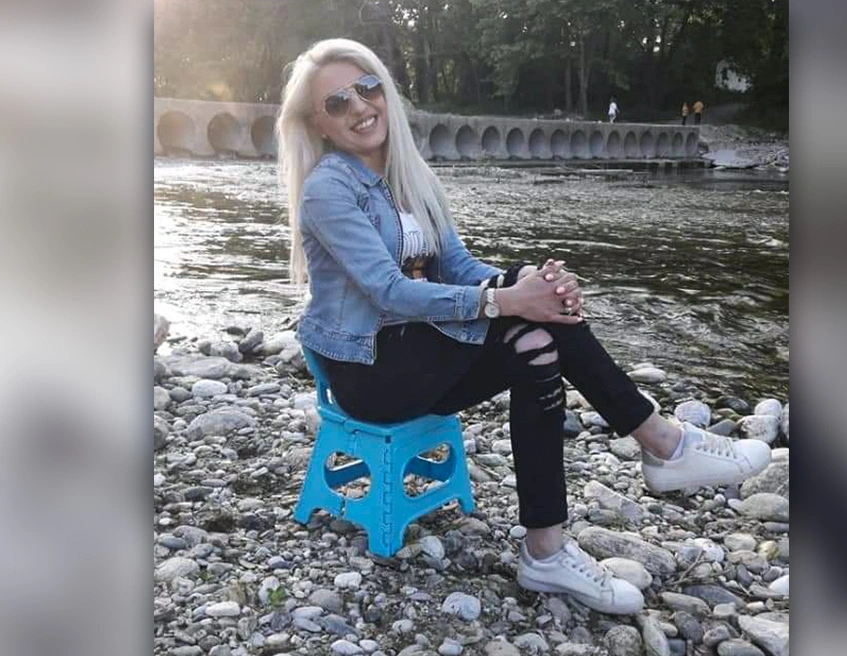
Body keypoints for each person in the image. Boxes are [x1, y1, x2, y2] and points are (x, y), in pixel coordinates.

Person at [277, 38, 770, 616]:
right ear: (319, 123)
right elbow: (390, 291)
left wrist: (531, 285)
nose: (360, 106)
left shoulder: (410, 175)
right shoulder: (329, 189)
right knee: (525, 313)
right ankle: (663, 445)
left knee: (537, 338)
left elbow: (460, 268)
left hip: (422, 353)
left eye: (367, 88)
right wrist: (508, 299)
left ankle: (547, 549)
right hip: (371, 371)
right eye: (338, 102)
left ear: (384, 90)